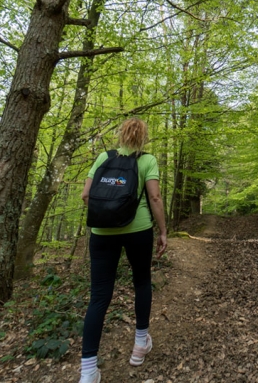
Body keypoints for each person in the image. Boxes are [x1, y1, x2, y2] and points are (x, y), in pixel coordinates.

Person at [78, 117, 167, 383]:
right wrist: (162, 231)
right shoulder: (147, 160)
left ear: (121, 134)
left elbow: (85, 195)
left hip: (101, 233)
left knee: (99, 297)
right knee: (141, 282)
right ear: (143, 137)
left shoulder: (103, 157)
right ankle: (140, 346)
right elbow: (154, 197)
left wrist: (108, 214)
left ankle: (88, 372)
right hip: (138, 230)